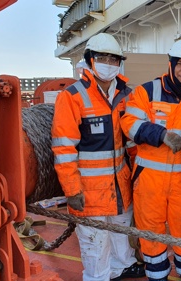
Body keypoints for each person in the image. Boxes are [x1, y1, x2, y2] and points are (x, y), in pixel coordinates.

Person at [51, 33, 145, 281]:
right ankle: (98, 277)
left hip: (121, 186)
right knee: (95, 242)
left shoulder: (127, 95)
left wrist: (138, 179)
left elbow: (133, 144)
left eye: (113, 59)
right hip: (88, 191)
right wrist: (72, 190)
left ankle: (121, 268)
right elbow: (64, 148)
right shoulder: (72, 97)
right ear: (90, 60)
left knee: (120, 233)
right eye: (102, 58)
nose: (108, 63)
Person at [121, 38, 181, 281]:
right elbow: (128, 124)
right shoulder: (147, 91)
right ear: (171, 64)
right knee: (151, 236)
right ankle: (157, 277)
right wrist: (160, 134)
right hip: (149, 181)